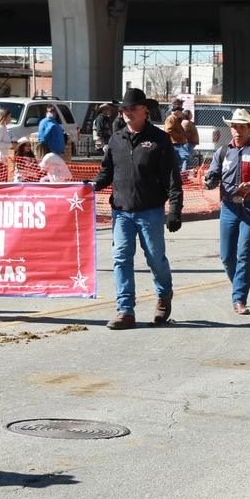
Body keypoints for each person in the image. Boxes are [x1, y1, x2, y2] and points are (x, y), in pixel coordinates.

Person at [93, 87, 183, 331]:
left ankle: (164, 296)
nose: (127, 113)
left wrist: (175, 209)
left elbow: (172, 178)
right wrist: (91, 186)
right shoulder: (116, 139)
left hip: (150, 210)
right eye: (124, 110)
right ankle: (125, 310)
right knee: (121, 257)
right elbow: (107, 172)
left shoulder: (159, 139)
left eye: (133, 108)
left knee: (155, 259)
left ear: (145, 110)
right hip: (121, 211)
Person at [202, 109, 250, 315]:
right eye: (234, 127)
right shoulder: (222, 151)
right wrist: (210, 180)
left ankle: (239, 299)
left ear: (249, 130)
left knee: (244, 253)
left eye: (242, 127)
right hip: (228, 206)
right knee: (227, 257)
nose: (237, 131)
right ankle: (239, 283)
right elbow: (213, 174)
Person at [163, 103, 191, 170]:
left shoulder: (175, 119)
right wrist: (180, 136)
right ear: (176, 111)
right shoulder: (171, 118)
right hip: (175, 143)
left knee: (178, 162)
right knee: (187, 156)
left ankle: (178, 174)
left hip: (177, 143)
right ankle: (183, 173)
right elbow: (168, 130)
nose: (181, 113)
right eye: (180, 111)